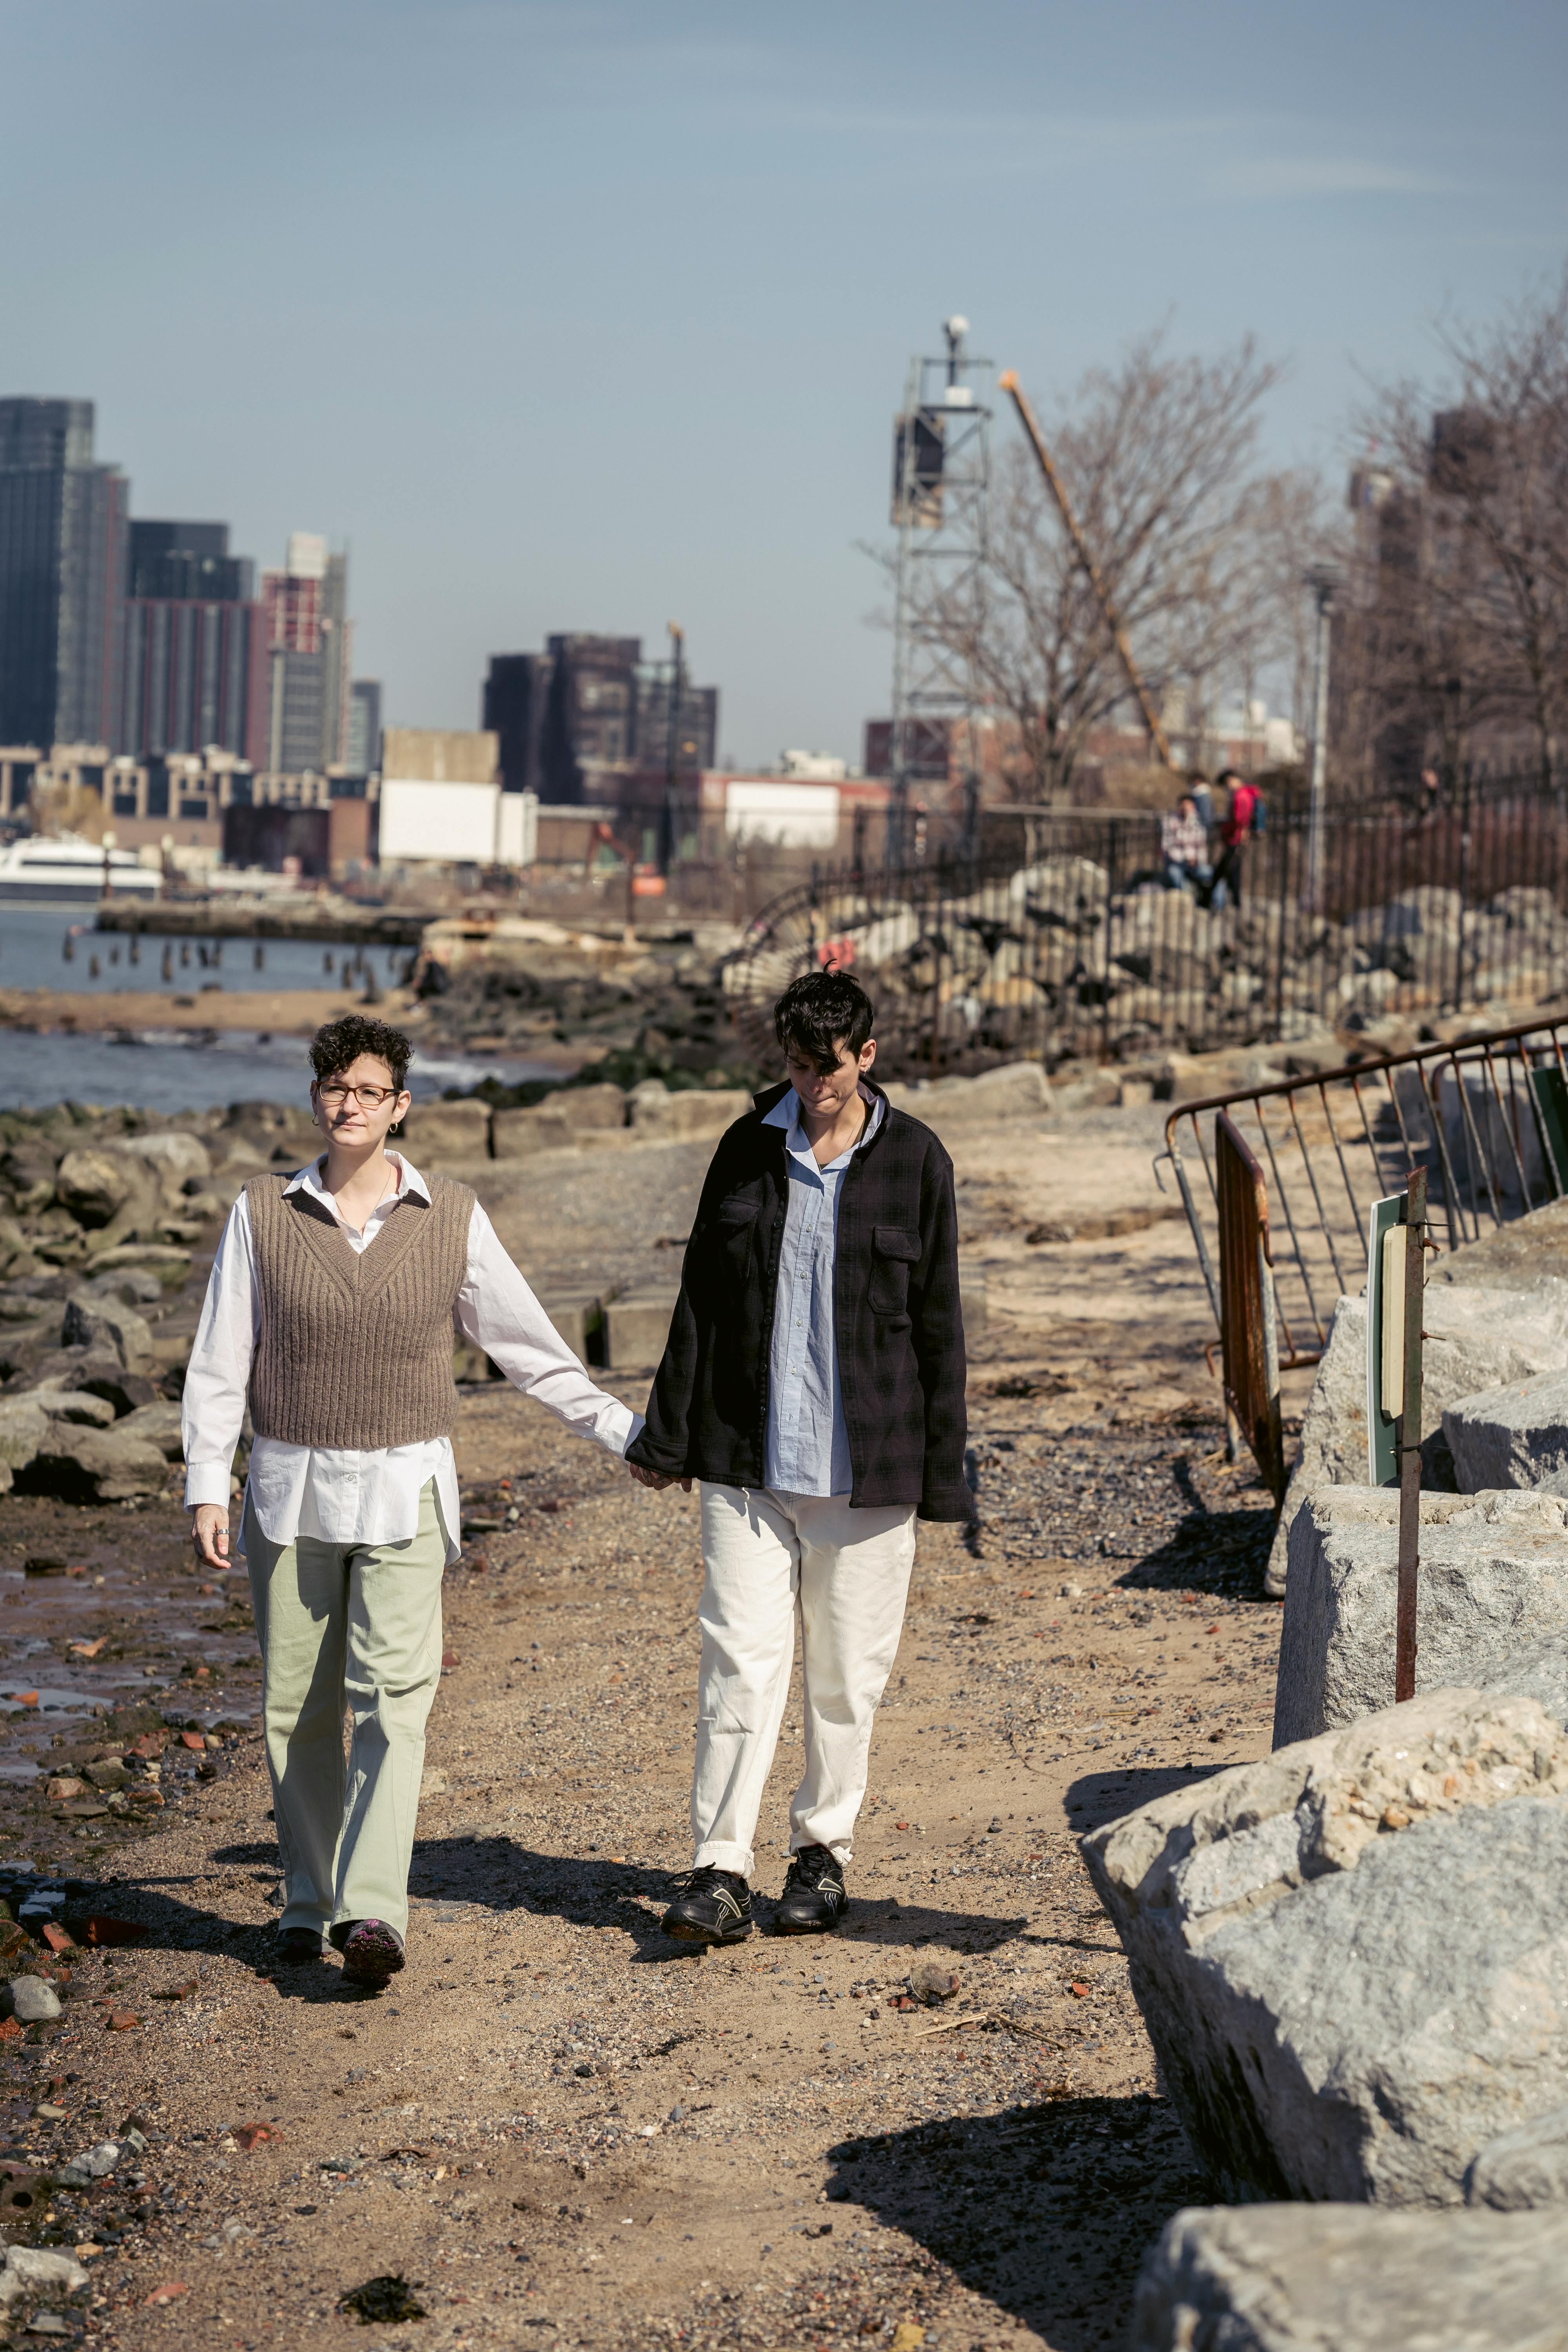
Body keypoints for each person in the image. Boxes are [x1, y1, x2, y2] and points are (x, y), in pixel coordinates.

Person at [183, 1015, 644, 1988]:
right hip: (290, 1492)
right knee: (294, 1709)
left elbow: (527, 1349)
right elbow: (220, 1358)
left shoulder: (452, 1216)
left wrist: (622, 1432)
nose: (346, 1103)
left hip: (407, 1491)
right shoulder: (263, 1210)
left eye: (366, 1089)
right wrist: (204, 1483)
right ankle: (305, 1905)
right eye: (332, 1087)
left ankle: (373, 1913)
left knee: (395, 1704)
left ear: (400, 1105)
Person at [626, 969, 970, 1944]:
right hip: (746, 1462)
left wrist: (944, 1473)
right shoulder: (745, 1149)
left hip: (870, 1470)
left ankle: (821, 1857)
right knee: (737, 1667)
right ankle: (718, 1870)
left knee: (844, 1677)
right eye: (795, 1064)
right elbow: (698, 1295)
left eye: (828, 1066)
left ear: (866, 1056)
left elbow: (940, 1325)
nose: (811, 1084)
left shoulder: (916, 1159)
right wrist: (666, 1436)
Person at [1209, 767, 1260, 910]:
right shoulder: (1246, 794)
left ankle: (1226, 902)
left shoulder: (1240, 796)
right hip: (1235, 837)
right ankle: (1234, 902)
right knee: (1231, 871)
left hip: (1235, 838)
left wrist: (1226, 827)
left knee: (1225, 871)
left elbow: (1239, 819)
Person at [1159, 793, 1211, 895]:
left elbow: (1201, 846)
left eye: (1188, 806)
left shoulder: (1199, 823)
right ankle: (1189, 902)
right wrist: (1185, 859)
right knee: (1176, 876)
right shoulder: (1169, 822)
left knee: (1213, 876)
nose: (1185, 809)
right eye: (1183, 806)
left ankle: (1218, 907)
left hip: (1196, 864)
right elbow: (1167, 847)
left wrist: (1197, 861)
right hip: (1177, 863)